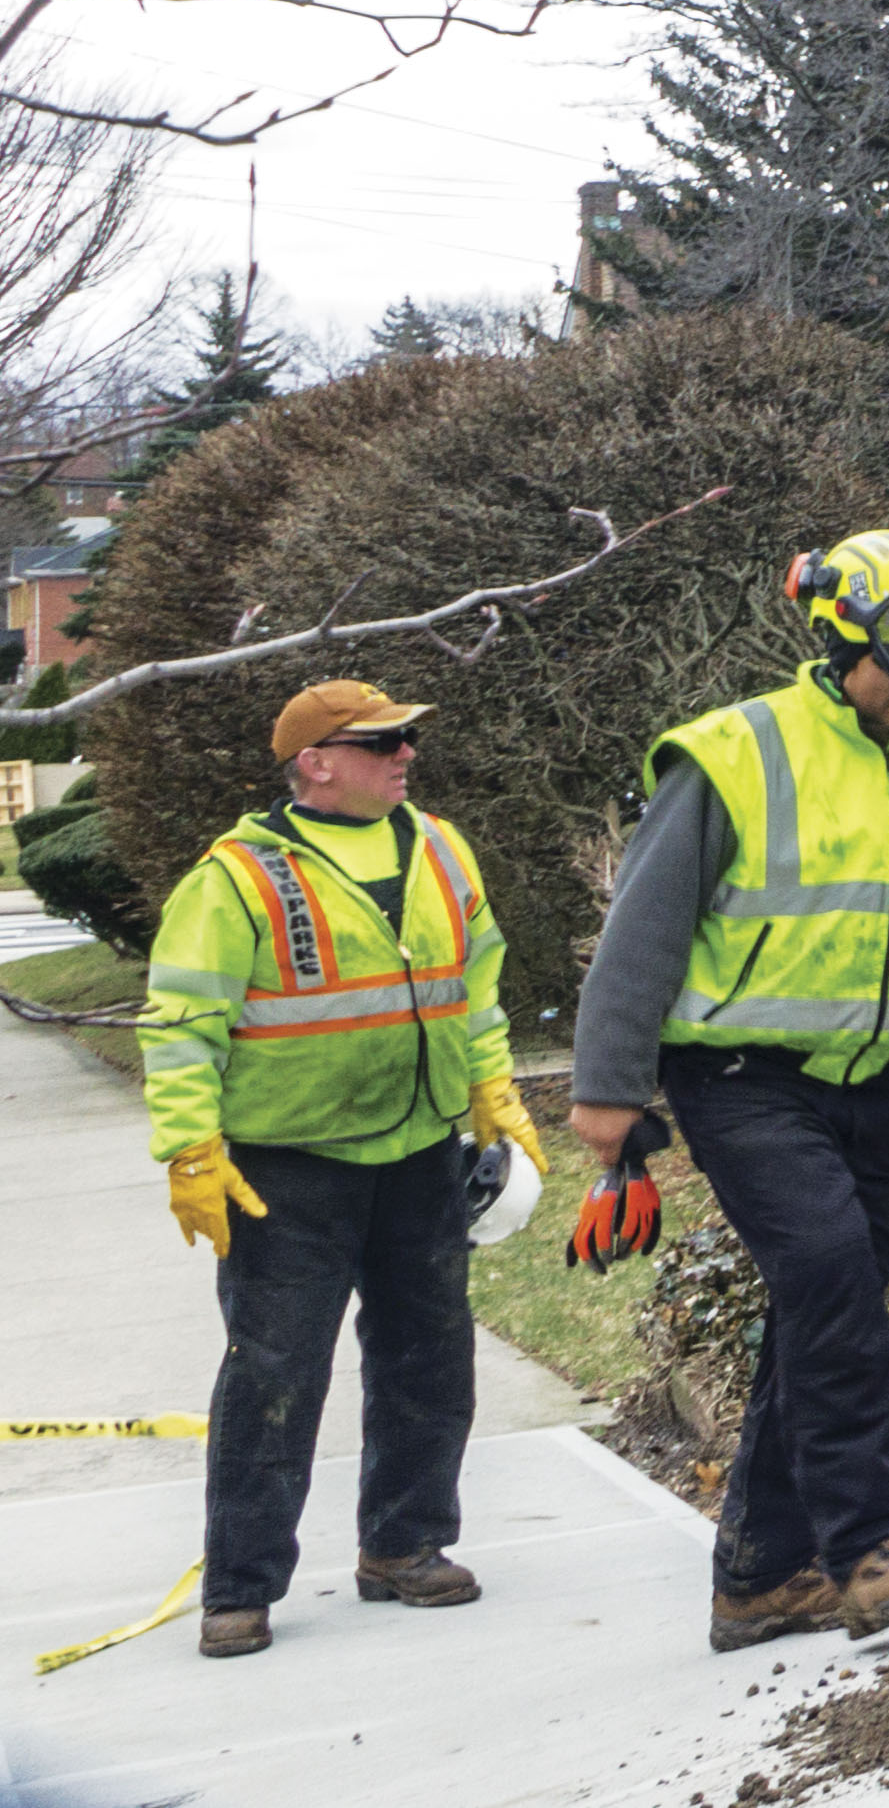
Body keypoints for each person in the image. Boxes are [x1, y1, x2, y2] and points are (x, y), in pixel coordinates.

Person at [572, 530, 889, 1653]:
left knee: (825, 1300)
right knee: (827, 1269)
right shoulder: (732, 752)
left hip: (887, 1077)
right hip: (740, 1073)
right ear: (838, 638)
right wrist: (609, 1085)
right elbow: (643, 926)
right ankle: (872, 1544)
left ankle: (761, 1575)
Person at [138, 677, 542, 1661]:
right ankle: (240, 1585)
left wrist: (494, 1090)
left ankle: (405, 1544)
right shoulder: (236, 877)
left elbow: (475, 987)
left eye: (406, 737)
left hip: (419, 1152)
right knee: (275, 1372)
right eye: (380, 741)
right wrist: (192, 1146)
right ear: (314, 761)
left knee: (430, 1356)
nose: (405, 753)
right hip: (289, 1169)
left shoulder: (441, 848)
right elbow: (183, 1022)